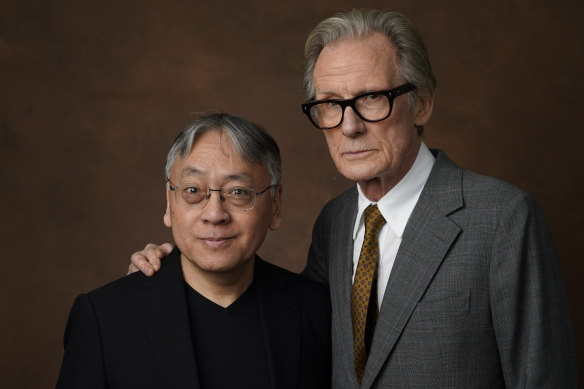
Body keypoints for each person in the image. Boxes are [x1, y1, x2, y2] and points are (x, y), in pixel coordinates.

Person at [129, 9, 577, 388]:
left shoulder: (502, 219)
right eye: (330, 104)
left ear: (420, 103)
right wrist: (178, 271)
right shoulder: (336, 221)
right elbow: (285, 323)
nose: (349, 126)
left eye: (372, 98)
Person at [56, 113, 332, 389]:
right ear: (169, 203)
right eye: (192, 190)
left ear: (275, 205)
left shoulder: (317, 312)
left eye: (238, 192)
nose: (215, 214)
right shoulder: (104, 318)